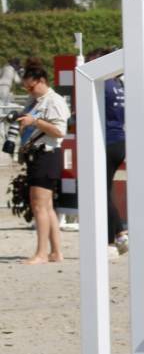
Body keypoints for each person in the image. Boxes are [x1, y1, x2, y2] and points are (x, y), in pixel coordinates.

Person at [16, 58, 70, 264]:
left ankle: (41, 253)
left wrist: (35, 121)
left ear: (40, 81)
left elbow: (59, 131)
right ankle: (56, 252)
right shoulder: (34, 102)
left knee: (39, 205)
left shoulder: (54, 100)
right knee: (46, 206)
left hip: (47, 154)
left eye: (30, 87)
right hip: (37, 154)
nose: (29, 92)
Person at [89, 48, 129, 257]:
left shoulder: (101, 84)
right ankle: (116, 235)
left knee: (101, 191)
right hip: (119, 140)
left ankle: (118, 235)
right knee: (105, 189)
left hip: (107, 141)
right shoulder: (117, 84)